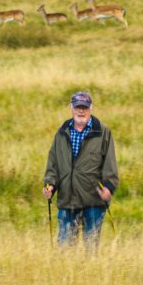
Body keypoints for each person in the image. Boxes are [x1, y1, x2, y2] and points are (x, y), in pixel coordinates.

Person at [42, 91, 119, 249]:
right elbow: (53, 165)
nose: (81, 111)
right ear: (71, 108)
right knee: (64, 251)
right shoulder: (61, 133)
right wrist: (49, 186)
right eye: (78, 107)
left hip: (93, 202)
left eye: (84, 107)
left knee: (91, 250)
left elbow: (110, 165)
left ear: (91, 108)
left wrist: (109, 188)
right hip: (67, 202)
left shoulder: (103, 132)